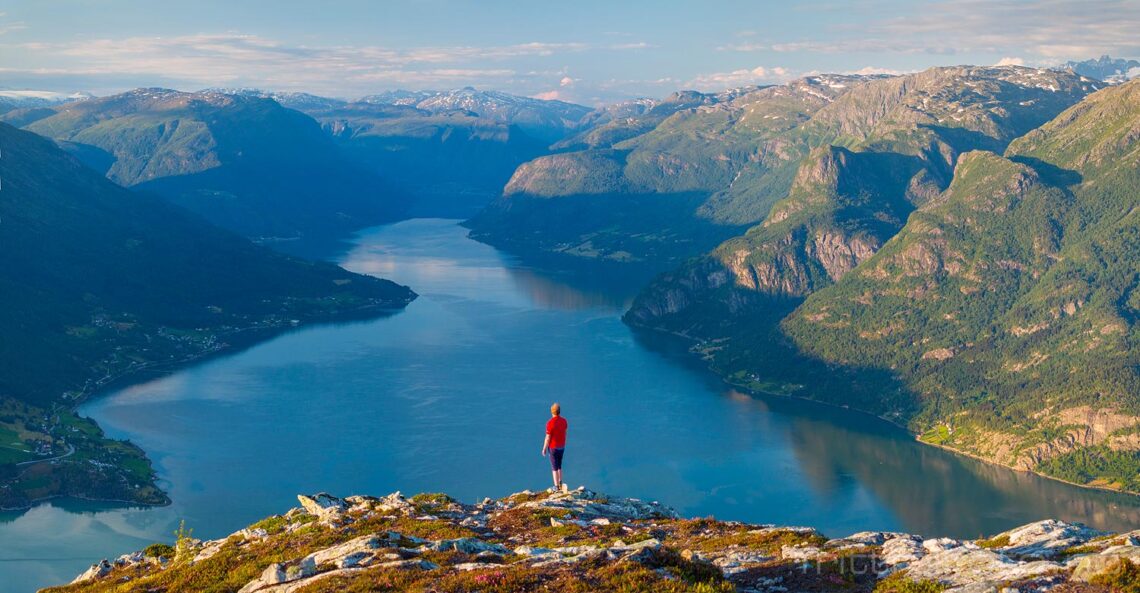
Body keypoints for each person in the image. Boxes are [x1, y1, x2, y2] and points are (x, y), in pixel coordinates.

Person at [541, 402, 568, 492]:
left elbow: (548, 437)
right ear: (559, 411)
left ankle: (556, 487)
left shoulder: (550, 423)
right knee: (560, 465)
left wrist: (544, 448)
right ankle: (560, 482)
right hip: (562, 446)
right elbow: (565, 432)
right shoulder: (564, 421)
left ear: (551, 412)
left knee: (554, 467)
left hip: (553, 447)